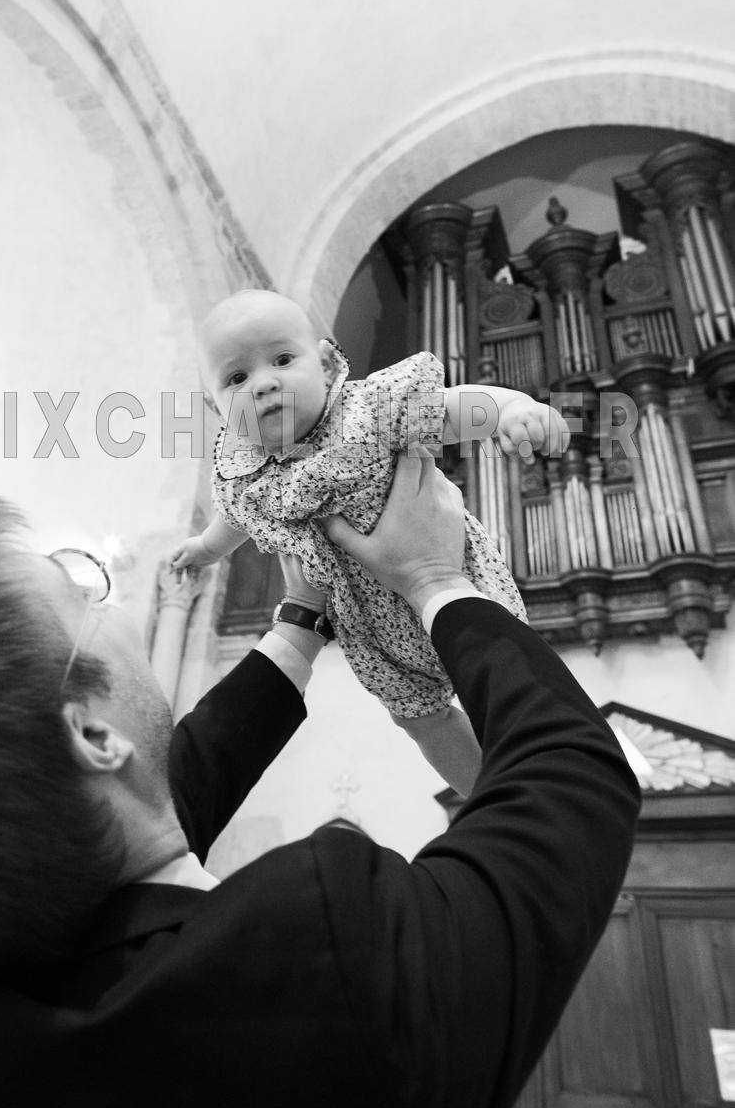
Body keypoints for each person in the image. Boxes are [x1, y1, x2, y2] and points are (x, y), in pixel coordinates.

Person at [0, 457, 639, 1108]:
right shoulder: (324, 972)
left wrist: (299, 622)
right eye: (84, 598)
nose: (115, 611)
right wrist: (433, 579)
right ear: (91, 735)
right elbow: (571, 777)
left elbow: (137, 806)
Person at [172, 289, 571, 794]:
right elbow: (234, 520)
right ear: (216, 407)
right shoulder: (243, 475)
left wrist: (513, 409)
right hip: (371, 627)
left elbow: (450, 409)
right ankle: (488, 797)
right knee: (420, 718)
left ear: (324, 364)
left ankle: (542, 776)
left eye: (283, 359)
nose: (264, 383)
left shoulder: (369, 409)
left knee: (505, 682)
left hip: (456, 583)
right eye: (236, 378)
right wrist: (204, 549)